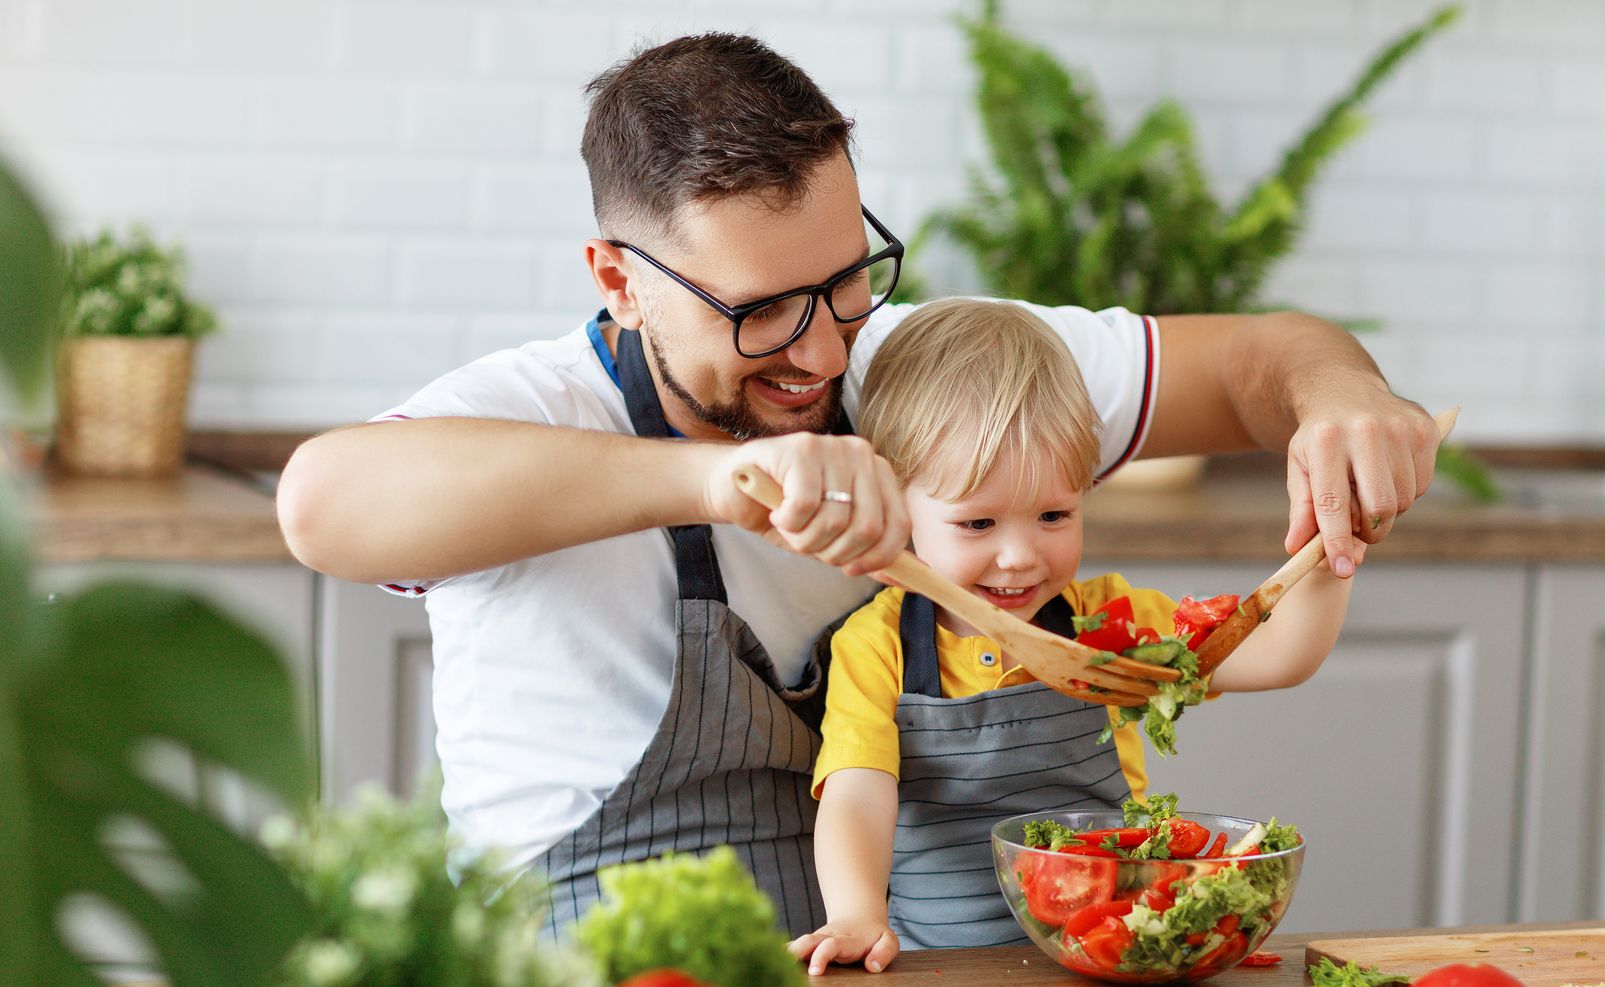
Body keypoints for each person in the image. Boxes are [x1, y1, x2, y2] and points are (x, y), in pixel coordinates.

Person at [274, 32, 1441, 936]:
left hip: (877, 974)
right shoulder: (530, 411)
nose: (825, 352)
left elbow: (1261, 361)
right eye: (759, 311)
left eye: (846, 281)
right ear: (619, 282)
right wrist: (720, 480)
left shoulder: (937, 371)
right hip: (586, 979)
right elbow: (322, 504)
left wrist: (1340, 397)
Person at [785, 299, 1353, 972]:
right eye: (978, 524)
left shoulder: (1110, 621)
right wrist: (855, 915)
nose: (1021, 555)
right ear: (898, 504)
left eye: (1054, 514)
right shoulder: (876, 645)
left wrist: (1332, 551)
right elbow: (858, 792)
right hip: (940, 971)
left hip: (1111, 954)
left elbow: (1279, 654)